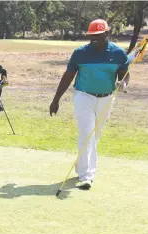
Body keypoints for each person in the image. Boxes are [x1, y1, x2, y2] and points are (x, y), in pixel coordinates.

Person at [49, 19, 130, 190]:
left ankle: (82, 165)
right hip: (84, 96)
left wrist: (123, 84)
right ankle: (87, 176)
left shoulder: (118, 53)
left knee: (96, 134)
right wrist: (56, 99)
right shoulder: (80, 53)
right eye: (91, 36)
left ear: (107, 34)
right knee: (87, 133)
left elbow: (124, 74)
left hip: (107, 98)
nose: (93, 40)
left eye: (97, 36)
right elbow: (68, 76)